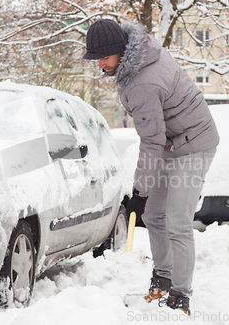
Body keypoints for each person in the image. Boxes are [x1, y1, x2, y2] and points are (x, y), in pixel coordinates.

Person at [83, 19, 220, 315]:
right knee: (154, 216)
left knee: (177, 222)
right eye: (96, 59)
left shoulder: (142, 81)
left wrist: (140, 191)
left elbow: (150, 140)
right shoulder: (137, 61)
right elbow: (156, 137)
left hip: (195, 145)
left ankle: (180, 296)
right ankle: (163, 279)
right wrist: (143, 197)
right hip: (173, 141)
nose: (99, 65)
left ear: (119, 50)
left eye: (103, 58)